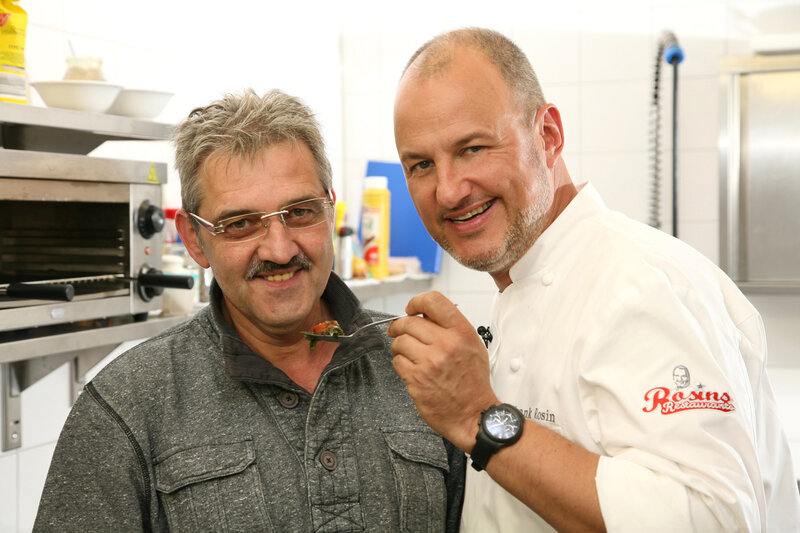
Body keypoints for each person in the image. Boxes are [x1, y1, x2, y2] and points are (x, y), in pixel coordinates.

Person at [388, 27, 800, 532]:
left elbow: (715, 519)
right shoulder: (524, 282)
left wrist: (479, 416)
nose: (448, 190)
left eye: (472, 148)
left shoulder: (642, 284)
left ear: (549, 136)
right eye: (421, 164)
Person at [34, 88, 465, 532]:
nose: (280, 250)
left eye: (299, 212)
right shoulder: (126, 406)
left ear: (330, 208)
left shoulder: (422, 367)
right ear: (195, 239)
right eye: (239, 224)